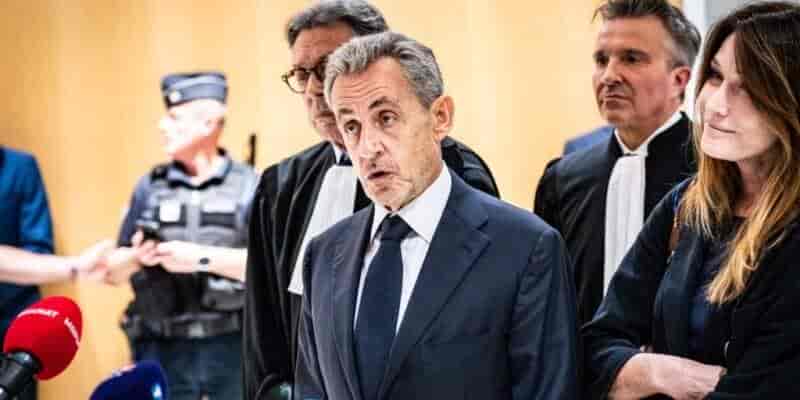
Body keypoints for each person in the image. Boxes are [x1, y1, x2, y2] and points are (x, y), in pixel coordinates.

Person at [294, 31, 577, 400]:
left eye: (386, 118)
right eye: (352, 127)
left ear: (440, 117)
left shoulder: (525, 248)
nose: (367, 148)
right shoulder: (322, 256)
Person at [242, 2, 499, 398]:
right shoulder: (281, 185)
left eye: (326, 66)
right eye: (301, 74)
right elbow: (262, 332)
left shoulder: (451, 170)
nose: (313, 89)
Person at [583, 2, 800, 398]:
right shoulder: (686, 205)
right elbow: (596, 347)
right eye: (715, 76)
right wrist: (661, 373)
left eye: (747, 88)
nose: (714, 105)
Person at [534, 0, 701, 326]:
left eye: (631, 58)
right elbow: (549, 298)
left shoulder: (718, 170)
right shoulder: (563, 178)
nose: (609, 76)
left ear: (679, 80)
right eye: (601, 60)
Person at [108, 72, 257, 400]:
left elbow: (270, 268)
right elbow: (112, 271)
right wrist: (137, 257)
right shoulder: (150, 186)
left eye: (174, 118)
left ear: (209, 124)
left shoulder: (251, 186)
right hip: (164, 350)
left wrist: (200, 258)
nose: (162, 126)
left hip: (232, 349)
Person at [0, 146, 110, 400]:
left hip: (13, 337)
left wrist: (73, 268)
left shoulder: (20, 166)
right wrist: (74, 267)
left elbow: (38, 248)